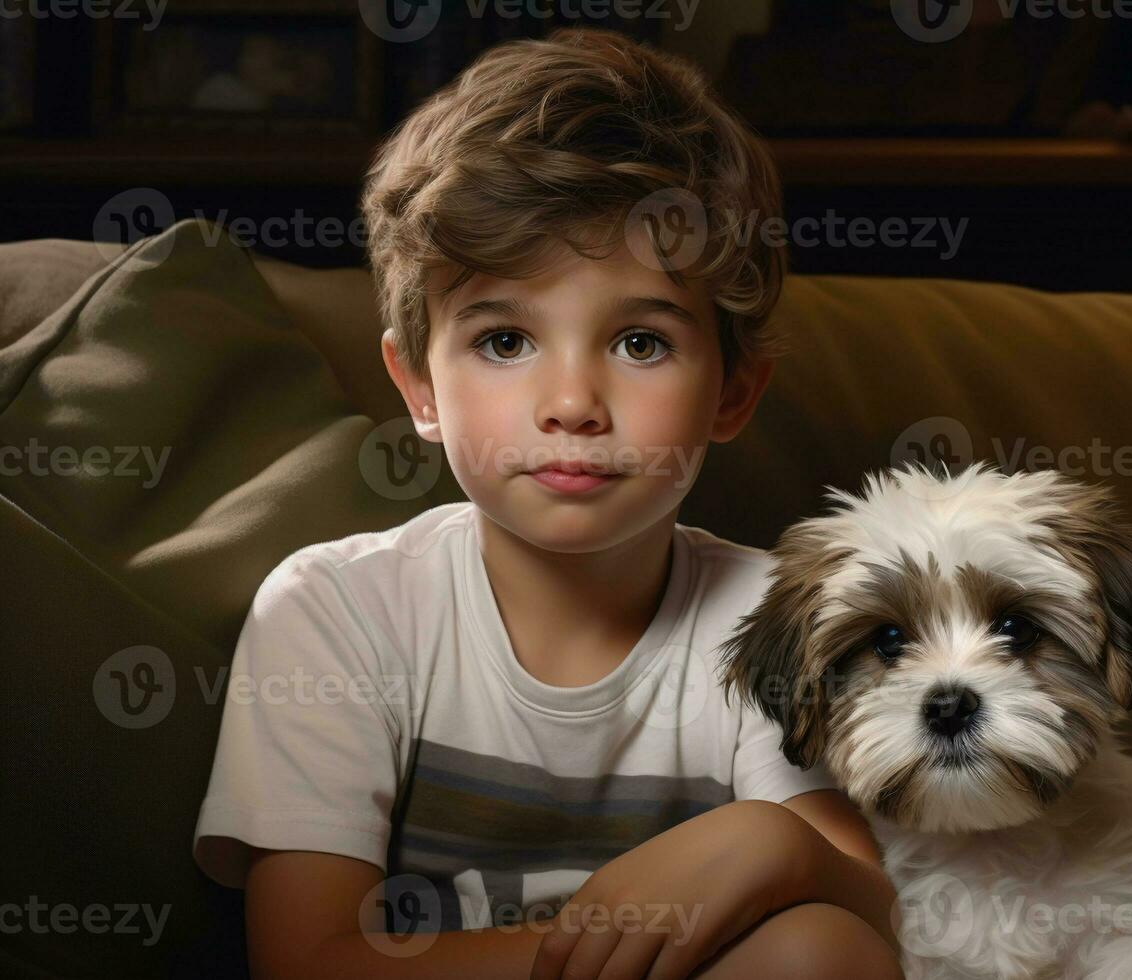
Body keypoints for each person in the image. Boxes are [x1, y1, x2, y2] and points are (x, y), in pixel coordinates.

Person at [191, 26, 906, 980]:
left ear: (733, 391)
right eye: (503, 341)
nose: (572, 405)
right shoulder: (338, 612)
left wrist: (785, 851)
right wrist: (623, 952)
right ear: (417, 388)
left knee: (824, 946)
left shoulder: (778, 620)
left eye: (641, 343)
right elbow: (312, 962)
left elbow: (897, 923)